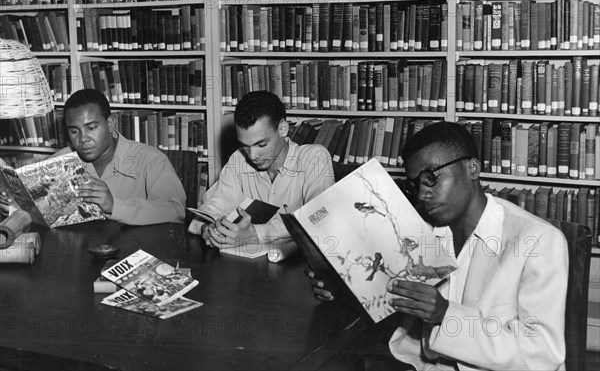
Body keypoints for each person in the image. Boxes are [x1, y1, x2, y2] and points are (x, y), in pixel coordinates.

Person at [307, 121, 568, 370]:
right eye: (415, 184)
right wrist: (342, 288)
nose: (422, 194)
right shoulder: (420, 233)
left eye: (431, 176)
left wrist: (446, 315)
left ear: (473, 169)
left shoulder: (538, 241)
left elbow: (543, 354)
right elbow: (391, 312)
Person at [188, 90, 335, 249]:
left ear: (282, 129)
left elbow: (319, 216)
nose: (252, 155)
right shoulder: (238, 159)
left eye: (261, 144)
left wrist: (255, 234)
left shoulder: (314, 157)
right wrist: (208, 228)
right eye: (245, 145)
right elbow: (212, 208)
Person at [55, 88, 186, 226]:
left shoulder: (151, 160)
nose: (83, 139)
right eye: (74, 131)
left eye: (91, 128)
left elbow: (175, 210)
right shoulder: (59, 161)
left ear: (110, 124)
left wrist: (114, 206)